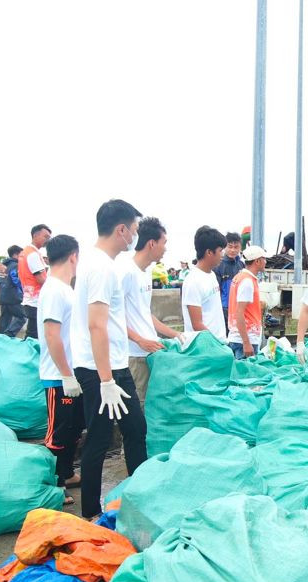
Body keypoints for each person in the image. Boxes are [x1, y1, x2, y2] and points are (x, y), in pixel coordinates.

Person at [71, 199, 148, 521]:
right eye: (134, 230)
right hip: (102, 370)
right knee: (101, 438)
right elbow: (96, 325)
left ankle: (141, 497)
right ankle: (91, 512)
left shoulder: (97, 263)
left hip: (110, 366)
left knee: (135, 429)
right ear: (121, 230)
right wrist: (106, 381)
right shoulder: (101, 267)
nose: (134, 236)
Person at [37, 234, 85, 505]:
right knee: (58, 434)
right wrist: (66, 374)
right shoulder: (54, 289)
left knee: (74, 429)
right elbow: (52, 335)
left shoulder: (67, 289)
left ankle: (67, 474)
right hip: (58, 377)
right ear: (73, 256)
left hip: (71, 374)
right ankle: (54, 485)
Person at [118, 217, 182, 412]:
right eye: (164, 243)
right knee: (136, 408)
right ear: (152, 243)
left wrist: (177, 335)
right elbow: (112, 318)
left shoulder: (146, 272)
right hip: (133, 355)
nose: (165, 249)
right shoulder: (126, 271)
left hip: (149, 352)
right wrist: (139, 340)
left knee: (149, 407)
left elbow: (145, 314)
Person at [181, 226, 227, 341]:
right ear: (209, 252)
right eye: (220, 250)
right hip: (205, 345)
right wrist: (216, 344)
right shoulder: (193, 281)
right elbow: (197, 324)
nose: (223, 254)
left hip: (217, 342)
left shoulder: (211, 275)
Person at [227, 245, 268, 359]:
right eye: (264, 259)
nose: (266, 262)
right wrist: (246, 342)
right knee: (246, 370)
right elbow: (239, 312)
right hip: (245, 339)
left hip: (238, 337)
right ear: (257, 261)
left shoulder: (239, 277)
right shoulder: (247, 281)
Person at [18, 224, 52, 339]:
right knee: (34, 336)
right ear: (35, 235)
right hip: (35, 300)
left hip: (30, 298)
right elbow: (41, 279)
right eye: (45, 237)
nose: (48, 240)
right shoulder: (33, 254)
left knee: (32, 334)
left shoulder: (24, 252)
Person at [215, 232, 245, 324]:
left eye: (236, 247)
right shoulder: (218, 265)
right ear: (225, 247)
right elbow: (216, 290)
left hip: (239, 306)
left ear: (240, 248)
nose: (232, 250)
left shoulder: (241, 265)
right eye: (230, 246)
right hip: (224, 308)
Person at [0, 246, 27, 337]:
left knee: (5, 320)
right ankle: (9, 334)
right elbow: (17, 281)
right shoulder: (16, 265)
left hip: (3, 297)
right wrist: (24, 291)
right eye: (21, 254)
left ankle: (1, 338)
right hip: (13, 297)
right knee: (22, 316)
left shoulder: (2, 266)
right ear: (16, 254)